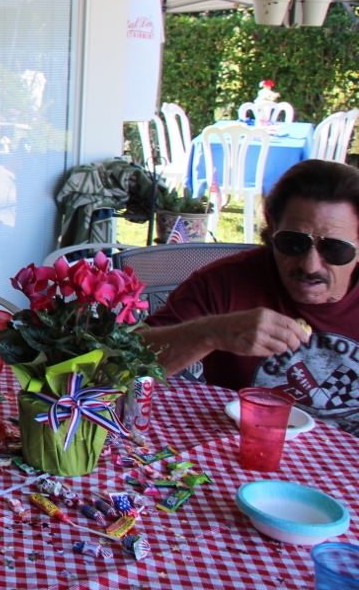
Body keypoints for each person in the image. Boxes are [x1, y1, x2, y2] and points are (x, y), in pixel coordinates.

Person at [143, 158, 359, 434]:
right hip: (242, 453)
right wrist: (210, 332)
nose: (310, 265)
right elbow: (124, 363)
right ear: (271, 228)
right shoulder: (224, 282)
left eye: (334, 249)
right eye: (293, 243)